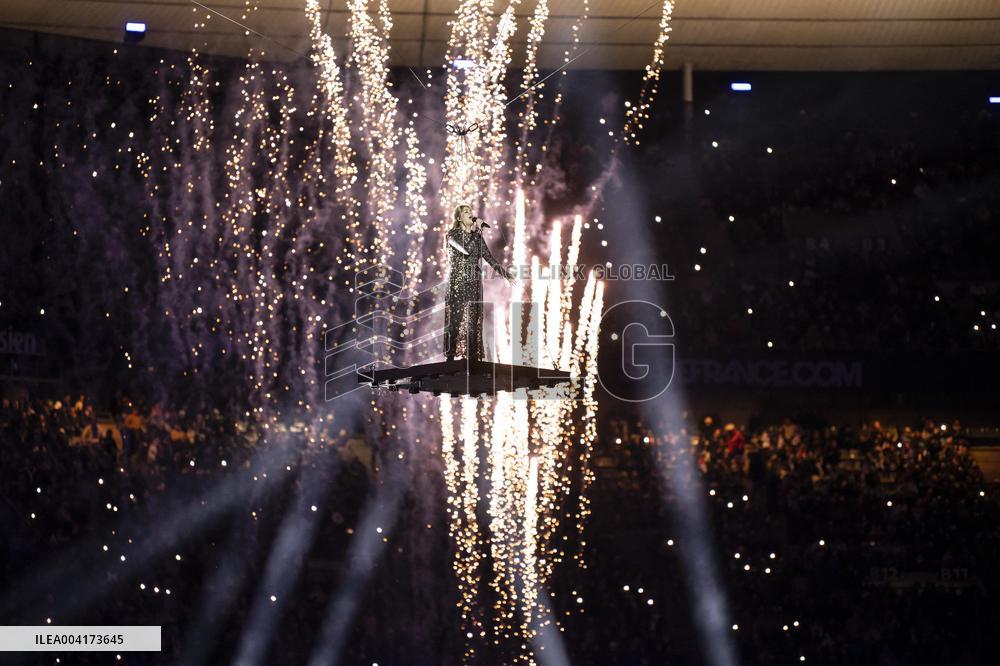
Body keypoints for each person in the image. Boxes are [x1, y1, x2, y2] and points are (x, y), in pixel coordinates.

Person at [444, 204, 515, 361]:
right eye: (466, 212)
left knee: (474, 318)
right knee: (457, 318)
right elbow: (466, 250)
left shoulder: (477, 237)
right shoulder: (452, 235)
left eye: (471, 211)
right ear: (458, 217)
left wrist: (506, 274)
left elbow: (489, 258)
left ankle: (472, 358)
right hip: (459, 281)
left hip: (474, 282)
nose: (470, 214)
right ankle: (450, 357)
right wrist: (477, 231)